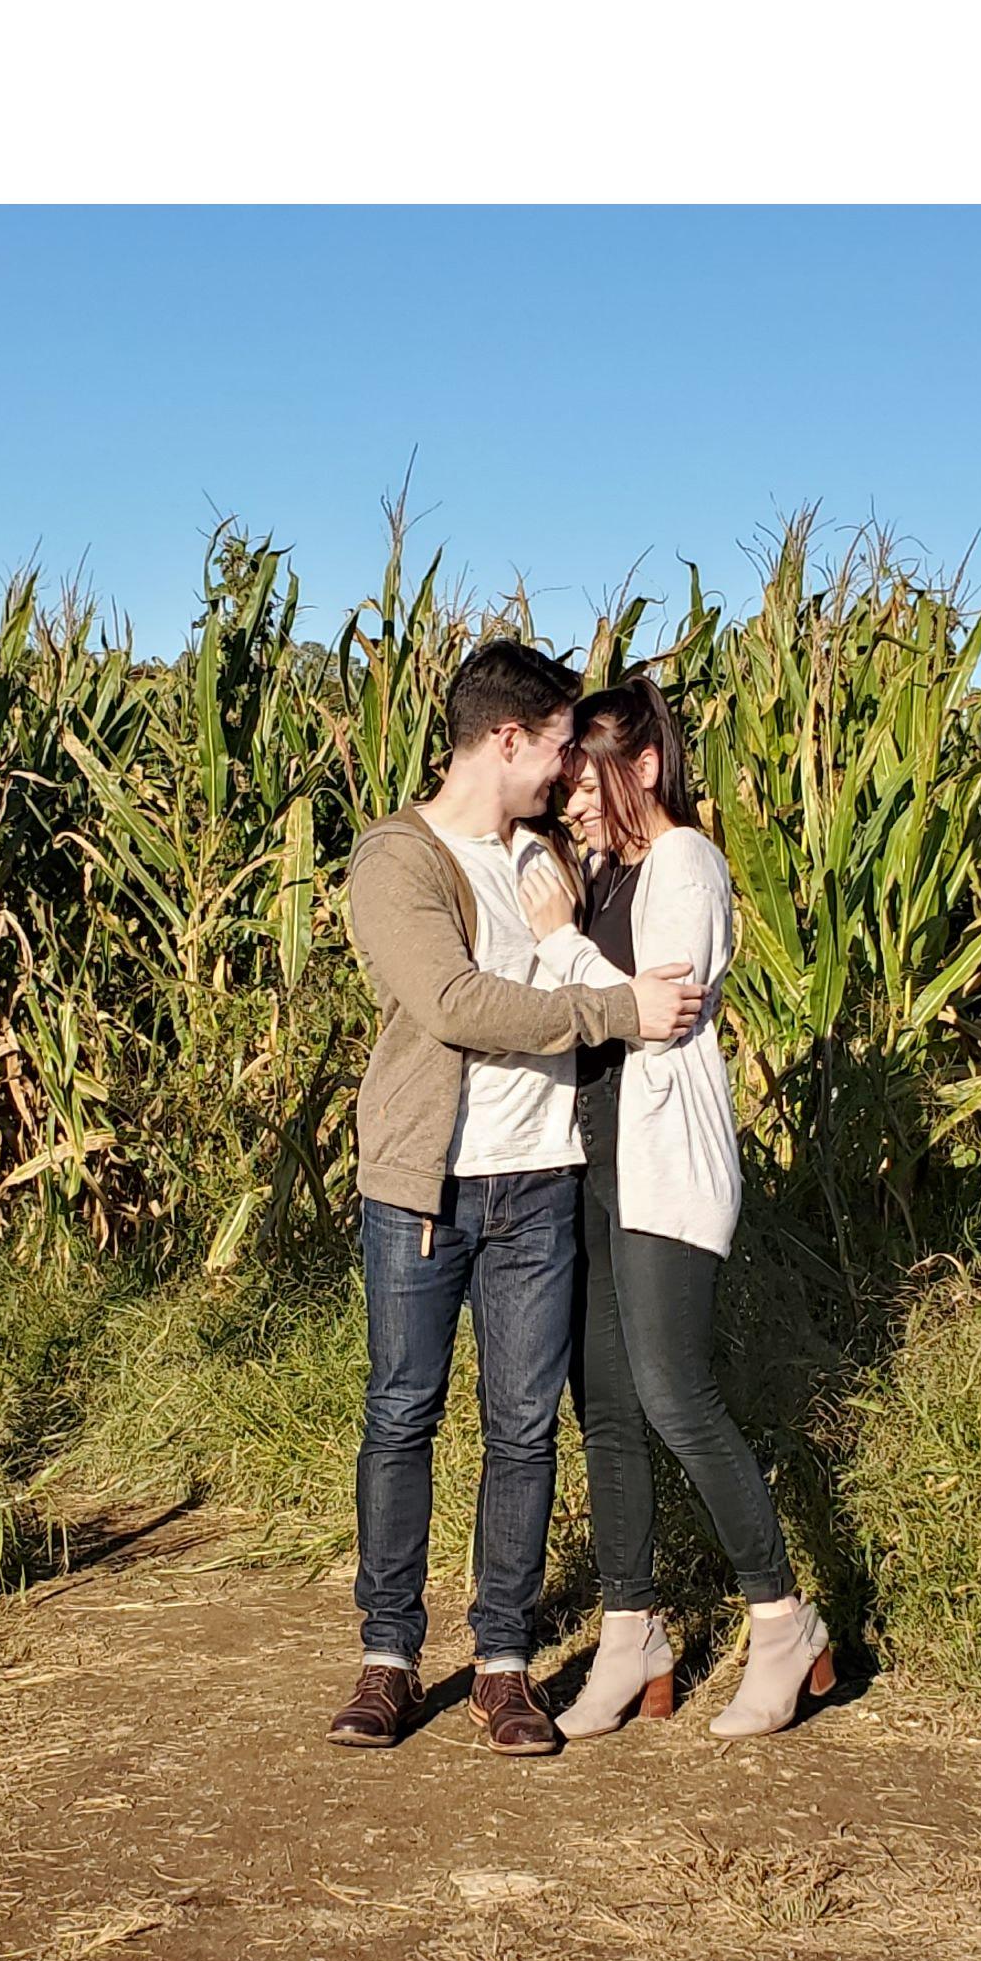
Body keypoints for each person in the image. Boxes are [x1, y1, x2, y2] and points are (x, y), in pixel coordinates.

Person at [332, 639, 707, 1758]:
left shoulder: (552, 855)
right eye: (554, 747)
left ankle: (504, 1661)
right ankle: (389, 1659)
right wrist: (614, 1015)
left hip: (540, 1183)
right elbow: (453, 1002)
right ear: (507, 739)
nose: (565, 771)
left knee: (522, 1430)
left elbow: (645, 898)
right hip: (424, 1186)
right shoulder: (397, 859)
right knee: (404, 1412)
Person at [520, 673, 835, 1738]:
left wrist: (560, 940)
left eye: (586, 781)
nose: (572, 803)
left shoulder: (686, 865)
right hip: (595, 1166)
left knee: (672, 1393)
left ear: (644, 766)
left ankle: (785, 1619)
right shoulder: (605, 870)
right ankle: (630, 1634)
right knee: (604, 1406)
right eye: (563, 784)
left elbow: (658, 1012)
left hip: (665, 1172)